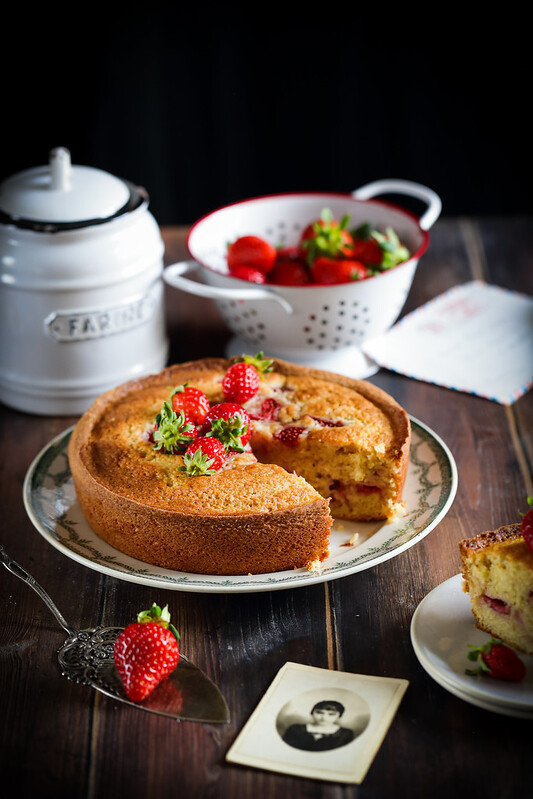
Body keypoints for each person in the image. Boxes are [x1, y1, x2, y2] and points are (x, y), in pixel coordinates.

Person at [282, 700, 354, 751]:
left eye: (331, 714)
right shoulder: (295, 729)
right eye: (319, 712)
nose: (324, 717)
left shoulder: (345, 733)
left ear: (339, 716)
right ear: (312, 713)